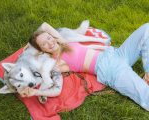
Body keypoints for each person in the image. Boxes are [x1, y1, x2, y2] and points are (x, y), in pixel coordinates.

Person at [21, 21, 149, 111]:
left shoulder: (62, 42)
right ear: (42, 51)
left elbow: (44, 25)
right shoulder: (56, 63)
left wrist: (30, 44)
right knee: (145, 95)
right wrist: (36, 91)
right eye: (44, 44)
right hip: (110, 71)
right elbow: (53, 86)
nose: (50, 42)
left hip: (116, 54)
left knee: (146, 29)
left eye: (49, 38)